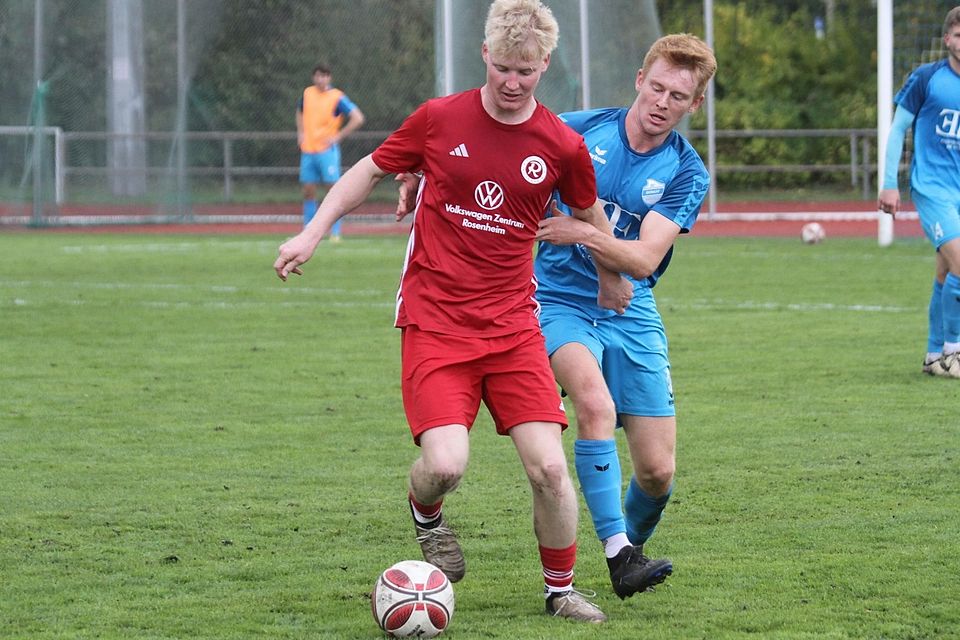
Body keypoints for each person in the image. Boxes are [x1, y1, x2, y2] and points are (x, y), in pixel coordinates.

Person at [275, 0, 629, 623]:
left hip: (515, 326)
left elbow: (587, 212)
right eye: (504, 69)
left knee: (548, 466)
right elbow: (368, 169)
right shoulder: (440, 119)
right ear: (485, 56)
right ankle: (426, 512)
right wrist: (311, 233)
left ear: (545, 65)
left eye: (527, 70)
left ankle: (561, 590)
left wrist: (608, 271)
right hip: (436, 321)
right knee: (445, 465)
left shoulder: (560, 143)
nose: (514, 82)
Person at [399, 33, 717, 600]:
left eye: (679, 96)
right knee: (592, 402)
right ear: (639, 80)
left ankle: (630, 547)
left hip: (630, 308)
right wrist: (418, 170)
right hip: (555, 299)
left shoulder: (687, 172)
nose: (662, 102)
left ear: (694, 106)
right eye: (658, 86)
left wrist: (580, 230)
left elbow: (642, 260)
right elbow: (486, 142)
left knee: (657, 472)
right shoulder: (577, 129)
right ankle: (617, 557)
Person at [879, 6, 960, 379]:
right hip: (931, 188)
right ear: (947, 40)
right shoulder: (927, 78)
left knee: (946, 273)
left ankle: (932, 354)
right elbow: (897, 131)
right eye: (958, 35)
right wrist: (890, 184)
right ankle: (954, 351)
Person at [296, 63, 365, 238]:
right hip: (308, 150)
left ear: (329, 78)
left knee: (333, 190)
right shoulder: (307, 93)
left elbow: (357, 118)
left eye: (325, 76)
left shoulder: (336, 97)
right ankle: (307, 229)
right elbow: (299, 111)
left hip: (327, 150)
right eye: (318, 75)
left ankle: (335, 231)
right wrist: (301, 133)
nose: (321, 79)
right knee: (308, 190)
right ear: (314, 77)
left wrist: (338, 136)